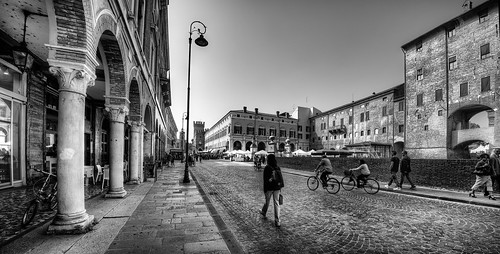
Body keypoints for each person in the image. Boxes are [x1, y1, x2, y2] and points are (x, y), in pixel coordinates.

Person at [259, 154, 284, 227]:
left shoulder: (267, 168)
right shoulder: (277, 167)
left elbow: (265, 180)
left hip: (269, 188)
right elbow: (280, 178)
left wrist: (265, 189)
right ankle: (277, 221)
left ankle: (264, 212)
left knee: (267, 201)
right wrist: (280, 187)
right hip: (277, 188)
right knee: (276, 203)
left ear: (268, 160)